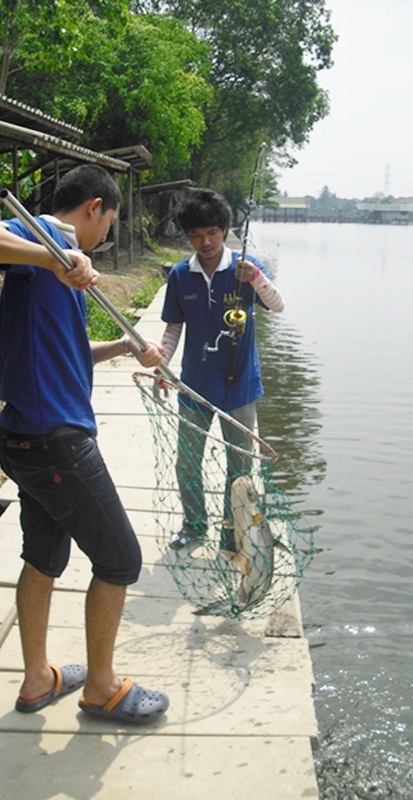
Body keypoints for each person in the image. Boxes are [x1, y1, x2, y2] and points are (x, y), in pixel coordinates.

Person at [0, 164, 169, 723]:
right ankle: (101, 688)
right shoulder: (49, 237)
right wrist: (55, 255)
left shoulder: (70, 265)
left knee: (44, 557)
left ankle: (37, 680)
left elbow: (73, 348)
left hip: (27, 438)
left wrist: (126, 347)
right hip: (57, 441)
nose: (105, 240)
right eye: (110, 225)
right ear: (94, 207)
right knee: (121, 559)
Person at [159, 188, 284, 552]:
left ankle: (232, 533)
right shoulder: (181, 275)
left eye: (212, 232)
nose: (206, 242)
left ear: (225, 229)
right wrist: (161, 366)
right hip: (195, 387)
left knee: (239, 470)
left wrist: (257, 279)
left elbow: (278, 306)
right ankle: (194, 525)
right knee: (186, 463)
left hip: (240, 389)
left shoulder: (249, 267)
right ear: (187, 237)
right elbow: (172, 329)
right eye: (196, 235)